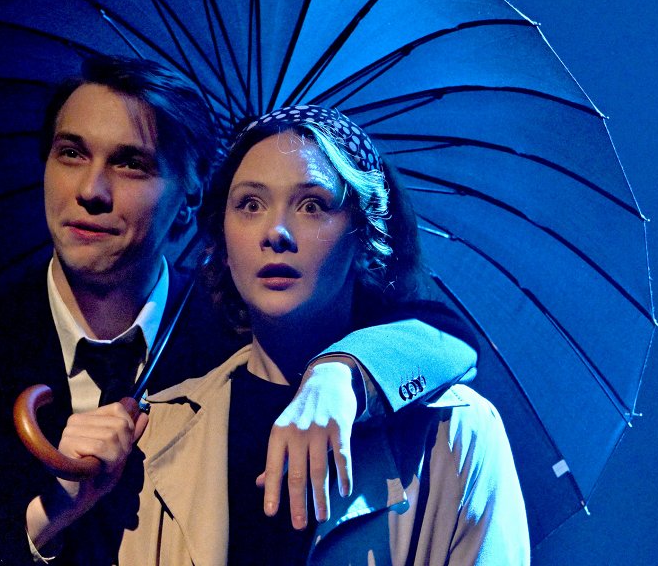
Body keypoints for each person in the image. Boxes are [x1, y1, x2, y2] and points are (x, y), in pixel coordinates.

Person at [0, 58, 480, 564]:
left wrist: (342, 370)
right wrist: (49, 514)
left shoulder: (237, 322)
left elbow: (441, 332)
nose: (91, 191)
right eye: (71, 153)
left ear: (192, 196)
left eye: (131, 164)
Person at [45, 105, 530, 564]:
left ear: (365, 238)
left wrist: (340, 373)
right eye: (250, 204)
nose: (275, 231)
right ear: (222, 240)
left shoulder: (454, 433)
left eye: (312, 205)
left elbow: (447, 336)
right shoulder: (156, 435)